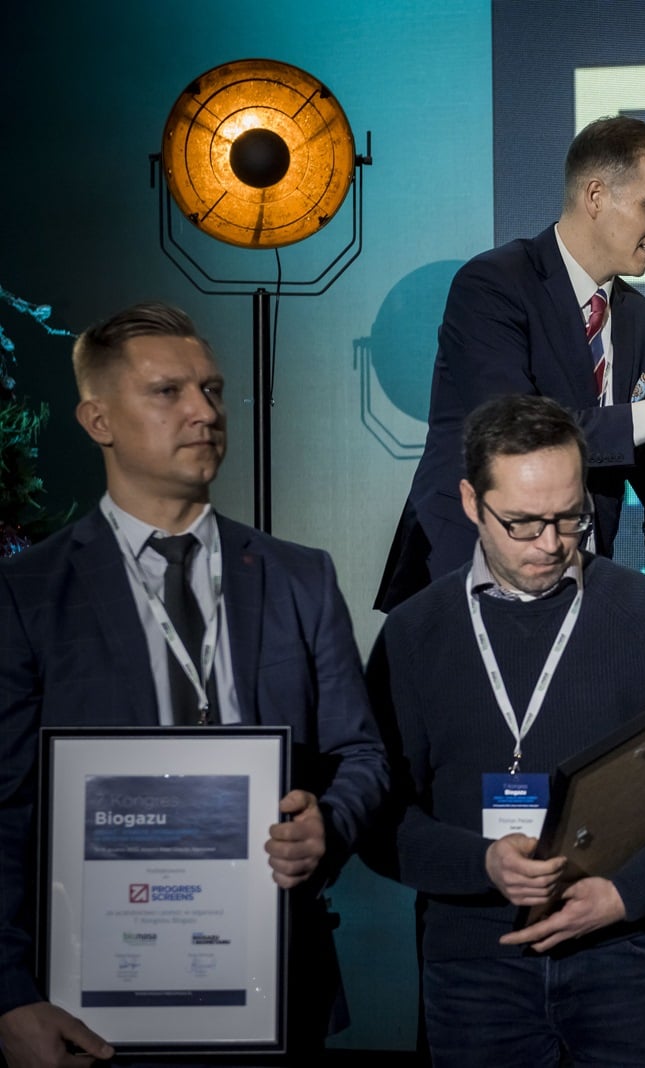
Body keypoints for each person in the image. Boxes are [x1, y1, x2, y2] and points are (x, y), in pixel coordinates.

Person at [0, 302, 387, 1066]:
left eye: (211, 390)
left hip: (277, 987)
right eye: (167, 392)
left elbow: (362, 755)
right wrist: (10, 995)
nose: (204, 412)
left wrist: (329, 824)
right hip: (92, 1002)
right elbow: (7, 810)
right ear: (98, 420)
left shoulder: (300, 577)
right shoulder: (28, 594)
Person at [365, 394, 645, 1068]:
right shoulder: (414, 633)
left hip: (633, 958)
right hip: (475, 969)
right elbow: (375, 817)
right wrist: (481, 863)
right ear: (471, 502)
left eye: (569, 518)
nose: (550, 544)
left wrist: (625, 895)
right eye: (522, 524)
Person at [375, 114, 645, 610]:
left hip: (577, 585)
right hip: (467, 573)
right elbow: (514, 436)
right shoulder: (493, 286)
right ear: (595, 196)